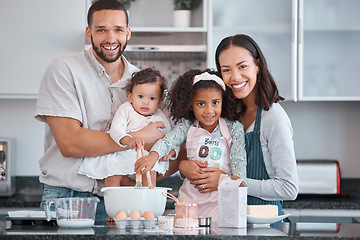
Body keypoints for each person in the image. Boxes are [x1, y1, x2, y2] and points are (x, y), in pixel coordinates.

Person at [34, 0, 176, 221]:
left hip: (127, 198)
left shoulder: (143, 85)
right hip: (69, 198)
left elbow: (165, 141)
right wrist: (139, 138)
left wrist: (161, 154)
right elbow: (70, 143)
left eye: (118, 30)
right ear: (89, 33)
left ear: (128, 33)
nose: (111, 39)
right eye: (102, 30)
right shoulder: (64, 70)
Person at [179, 34, 298, 228]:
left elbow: (288, 188)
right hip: (226, 223)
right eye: (226, 70)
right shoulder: (224, 114)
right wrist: (184, 167)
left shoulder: (273, 118)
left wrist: (228, 182)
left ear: (257, 65)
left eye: (242, 66)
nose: (235, 77)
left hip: (263, 228)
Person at [135, 69, 247, 223]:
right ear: (190, 106)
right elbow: (168, 141)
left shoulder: (234, 128)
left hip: (222, 203)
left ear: (223, 101)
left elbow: (240, 176)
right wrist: (152, 156)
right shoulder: (186, 125)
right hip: (189, 202)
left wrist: (223, 180)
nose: (209, 110)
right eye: (201, 103)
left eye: (215, 103)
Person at [78, 68, 177, 187]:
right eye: (140, 96)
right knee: (113, 173)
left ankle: (146, 200)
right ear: (130, 96)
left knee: (150, 171)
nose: (145, 102)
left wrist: (171, 151)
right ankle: (113, 199)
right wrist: (128, 140)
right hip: (121, 153)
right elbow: (116, 129)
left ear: (160, 101)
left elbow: (173, 138)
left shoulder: (160, 118)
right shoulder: (126, 110)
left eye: (152, 98)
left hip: (146, 157)